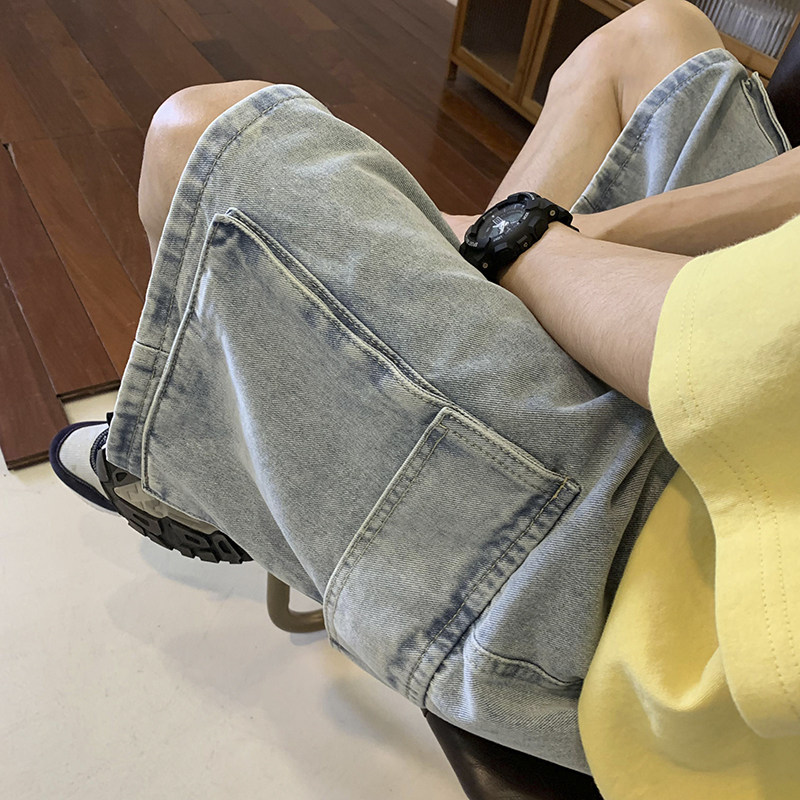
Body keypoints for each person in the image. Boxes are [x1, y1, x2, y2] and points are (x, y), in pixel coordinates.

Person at [48, 0, 800, 796]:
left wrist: (515, 240)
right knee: (656, 33)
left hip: (667, 574)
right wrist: (553, 238)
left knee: (197, 138)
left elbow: (736, 356)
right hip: (749, 405)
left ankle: (197, 477)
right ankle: (392, 383)